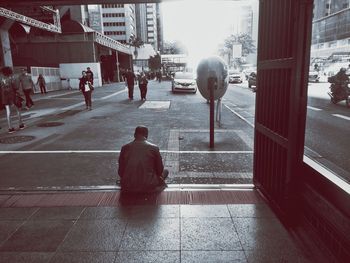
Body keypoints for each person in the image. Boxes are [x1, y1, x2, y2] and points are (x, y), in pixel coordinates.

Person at [118, 126, 169, 193]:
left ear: (134, 135)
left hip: (128, 185)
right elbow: (159, 171)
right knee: (166, 171)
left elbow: (121, 172)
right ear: (146, 135)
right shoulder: (154, 148)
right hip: (148, 185)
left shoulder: (125, 148)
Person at [0, 67, 24, 133]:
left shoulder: (1, 79)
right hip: (13, 96)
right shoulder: (11, 78)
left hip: (5, 97)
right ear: (9, 72)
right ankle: (21, 124)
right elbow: (16, 87)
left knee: (8, 112)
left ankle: (10, 128)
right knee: (18, 110)